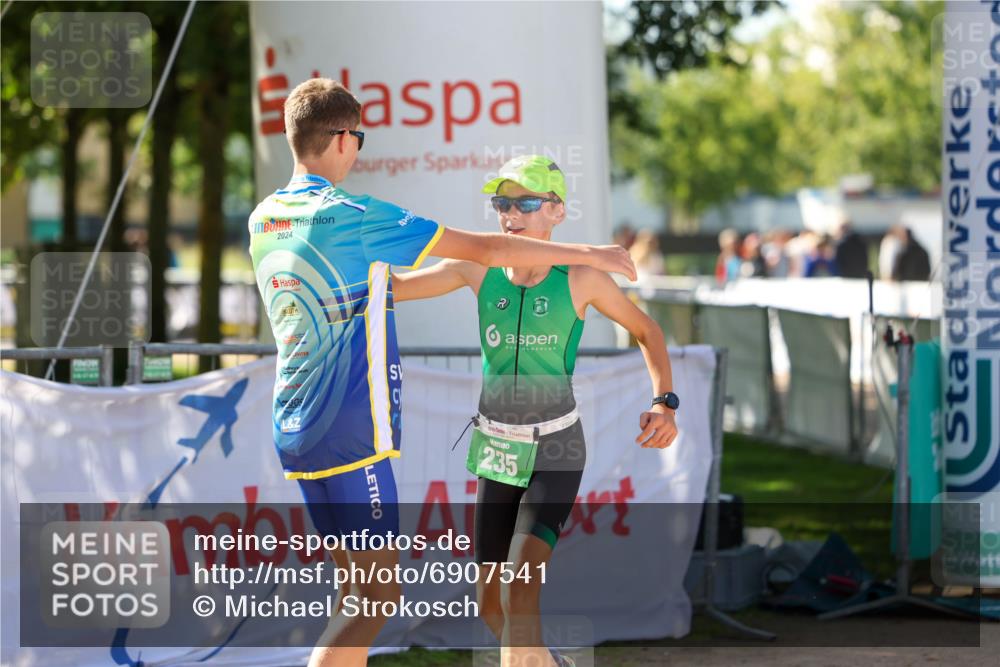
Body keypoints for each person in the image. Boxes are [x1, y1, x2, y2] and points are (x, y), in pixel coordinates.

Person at [247, 80, 636, 667]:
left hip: (295, 427)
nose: (360, 149)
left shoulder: (264, 216)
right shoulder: (353, 215)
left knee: (354, 594)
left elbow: (380, 287)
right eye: (359, 136)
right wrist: (591, 254)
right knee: (377, 599)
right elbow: (485, 251)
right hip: (352, 430)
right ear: (341, 139)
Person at [392, 155, 679, 667]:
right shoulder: (476, 267)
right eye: (502, 203)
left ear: (556, 211)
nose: (510, 213)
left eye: (525, 202)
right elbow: (395, 291)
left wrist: (664, 402)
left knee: (519, 592)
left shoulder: (582, 279)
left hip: (556, 448)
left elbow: (647, 331)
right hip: (497, 447)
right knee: (490, 605)